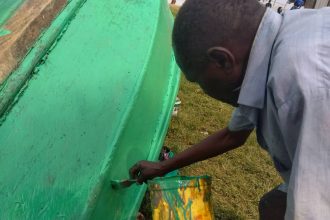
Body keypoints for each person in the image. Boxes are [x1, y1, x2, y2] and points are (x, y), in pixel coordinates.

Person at [129, 0, 330, 219]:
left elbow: (314, 210)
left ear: (222, 60)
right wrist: (163, 167)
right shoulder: (274, 43)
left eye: (199, 80)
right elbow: (232, 136)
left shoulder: (303, 88)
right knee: (273, 207)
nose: (204, 90)